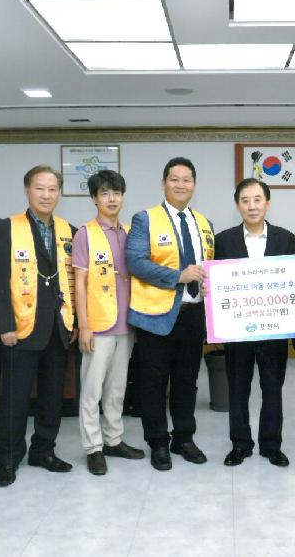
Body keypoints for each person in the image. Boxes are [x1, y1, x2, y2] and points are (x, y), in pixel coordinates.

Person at [0, 165, 77, 487]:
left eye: (52, 189)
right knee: (14, 399)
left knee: (53, 397)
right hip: (20, 328)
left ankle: (43, 451)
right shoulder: (7, 228)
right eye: (40, 188)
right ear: (27, 191)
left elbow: (75, 279)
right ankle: (8, 458)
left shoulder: (68, 230)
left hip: (58, 328)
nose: (46, 195)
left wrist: (75, 321)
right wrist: (4, 325)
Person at [126, 157, 214, 471]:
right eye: (174, 179)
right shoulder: (145, 219)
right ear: (163, 183)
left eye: (186, 179)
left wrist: (211, 284)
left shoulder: (204, 223)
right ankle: (158, 442)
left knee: (187, 381)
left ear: (194, 185)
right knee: (153, 382)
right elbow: (135, 262)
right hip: (155, 316)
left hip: (193, 314)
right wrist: (178, 276)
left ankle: (184, 438)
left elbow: (209, 266)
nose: (180, 185)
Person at [214, 178, 295, 467]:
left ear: (267, 203)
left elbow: (291, 282)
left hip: (274, 331)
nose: (252, 206)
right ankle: (240, 444)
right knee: (238, 388)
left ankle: (271, 445)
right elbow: (218, 283)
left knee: (273, 388)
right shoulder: (224, 240)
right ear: (238, 205)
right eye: (245, 200)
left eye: (257, 199)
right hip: (237, 331)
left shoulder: (285, 238)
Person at [72, 170, 144, 476]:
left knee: (116, 389)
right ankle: (93, 447)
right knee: (92, 390)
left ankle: (113, 440)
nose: (111, 199)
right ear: (94, 198)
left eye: (116, 193)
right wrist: (84, 325)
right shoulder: (85, 234)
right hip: (98, 326)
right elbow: (79, 283)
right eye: (104, 193)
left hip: (126, 325)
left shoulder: (130, 233)